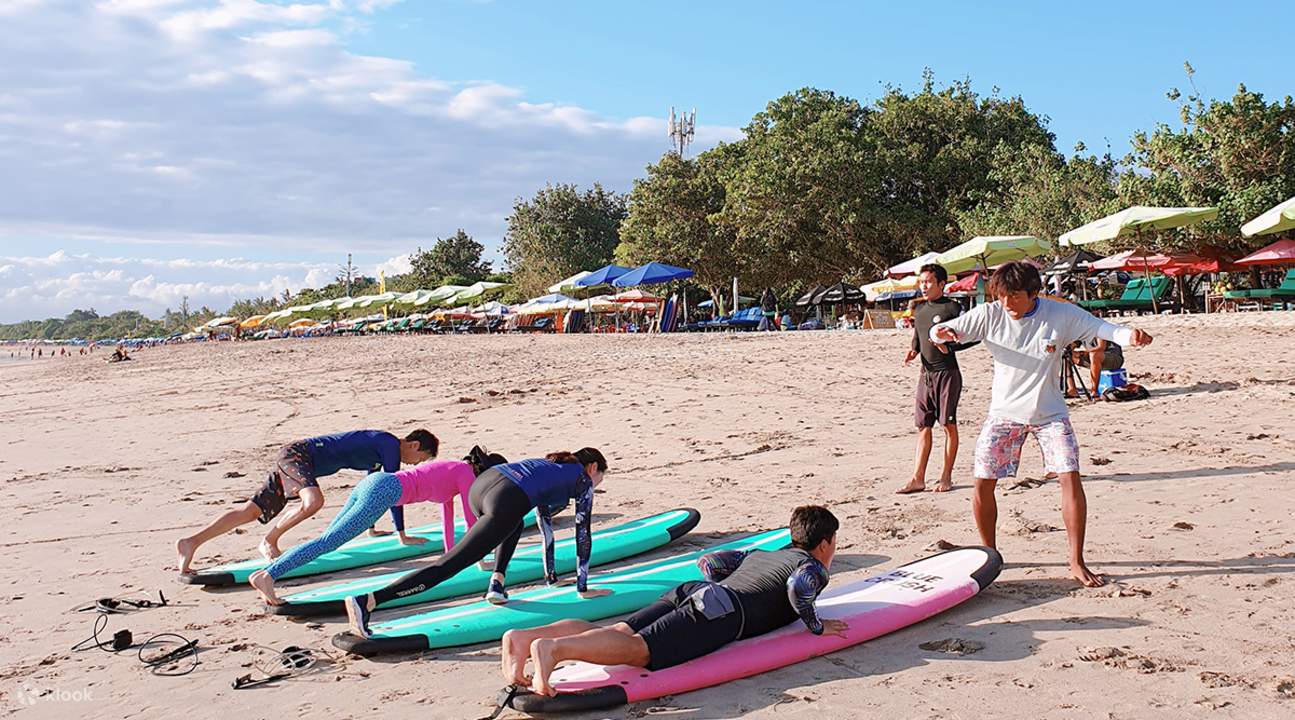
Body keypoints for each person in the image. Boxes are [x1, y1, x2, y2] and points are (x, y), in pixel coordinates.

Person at [930, 261, 1153, 587]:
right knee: (982, 483)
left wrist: (1130, 336)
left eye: (1015, 296)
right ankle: (989, 555)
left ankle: (1076, 560)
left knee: (1070, 479)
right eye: (1002, 295)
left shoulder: (1059, 314)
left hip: (1050, 414)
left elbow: (1103, 329)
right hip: (1004, 414)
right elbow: (947, 329)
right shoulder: (991, 313)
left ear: (1033, 293)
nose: (1008, 303)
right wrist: (941, 333)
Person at [500, 505, 845, 697]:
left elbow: (712, 562)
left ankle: (523, 638)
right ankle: (553, 650)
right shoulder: (812, 567)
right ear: (826, 543)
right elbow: (799, 588)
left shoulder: (762, 552)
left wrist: (718, 589)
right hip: (720, 612)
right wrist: (816, 625)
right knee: (638, 651)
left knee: (617, 631)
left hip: (693, 591)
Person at [344, 448, 609, 638]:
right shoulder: (582, 480)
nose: (595, 485)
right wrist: (583, 588)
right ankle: (369, 601)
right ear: (593, 468)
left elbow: (545, 526)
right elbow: (582, 534)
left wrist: (551, 578)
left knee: (513, 522)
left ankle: (497, 584)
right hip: (505, 498)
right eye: (599, 479)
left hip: (484, 485)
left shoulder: (550, 468)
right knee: (449, 565)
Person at [175, 429, 438, 575]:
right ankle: (269, 541)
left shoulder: (384, 449)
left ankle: (191, 542)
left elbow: (373, 490)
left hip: (300, 462)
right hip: (298, 455)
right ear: (414, 445)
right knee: (313, 501)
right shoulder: (390, 445)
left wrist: (370, 527)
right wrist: (401, 534)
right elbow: (392, 491)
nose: (415, 465)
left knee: (250, 511)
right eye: (421, 459)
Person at [248, 455, 491, 605]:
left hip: (375, 482)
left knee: (326, 540)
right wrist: (480, 561)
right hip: (383, 492)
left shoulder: (457, 469)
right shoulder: (466, 474)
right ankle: (269, 575)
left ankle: (267, 573)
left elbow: (448, 517)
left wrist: (449, 558)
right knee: (328, 542)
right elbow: (474, 523)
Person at [899, 263, 975, 495]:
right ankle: (917, 478)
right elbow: (918, 334)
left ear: (942, 284)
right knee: (923, 426)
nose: (924, 286)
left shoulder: (953, 308)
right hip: (926, 374)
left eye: (929, 282)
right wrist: (914, 349)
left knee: (948, 425)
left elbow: (971, 337)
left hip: (947, 374)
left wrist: (949, 347)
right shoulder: (920, 310)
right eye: (922, 282)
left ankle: (946, 476)